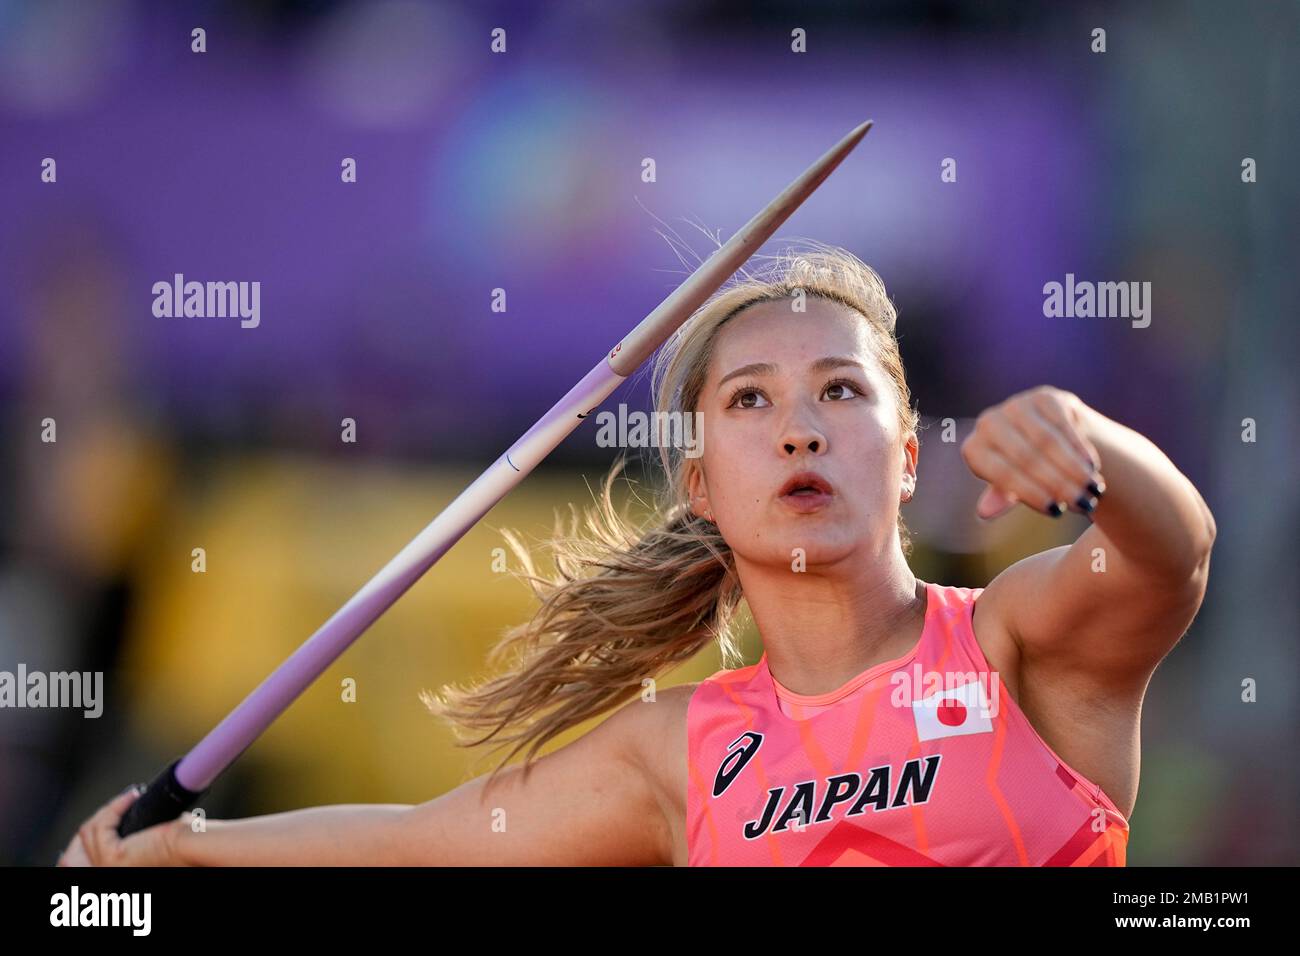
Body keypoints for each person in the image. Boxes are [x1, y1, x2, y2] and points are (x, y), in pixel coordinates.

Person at [59, 243, 1215, 866]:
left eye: (840, 391)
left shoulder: (1015, 643)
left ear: (906, 455)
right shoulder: (680, 753)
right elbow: (418, 842)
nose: (800, 426)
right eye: (751, 400)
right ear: (703, 483)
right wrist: (185, 852)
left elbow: (1172, 558)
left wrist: (1089, 440)